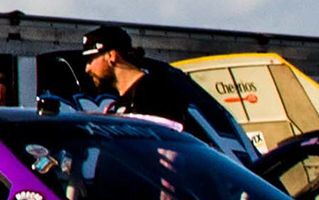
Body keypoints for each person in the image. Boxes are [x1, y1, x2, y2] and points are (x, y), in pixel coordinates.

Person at [70, 25, 248, 152]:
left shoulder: (153, 90)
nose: (87, 69)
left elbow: (169, 150)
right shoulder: (121, 103)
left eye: (91, 60)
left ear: (112, 56)